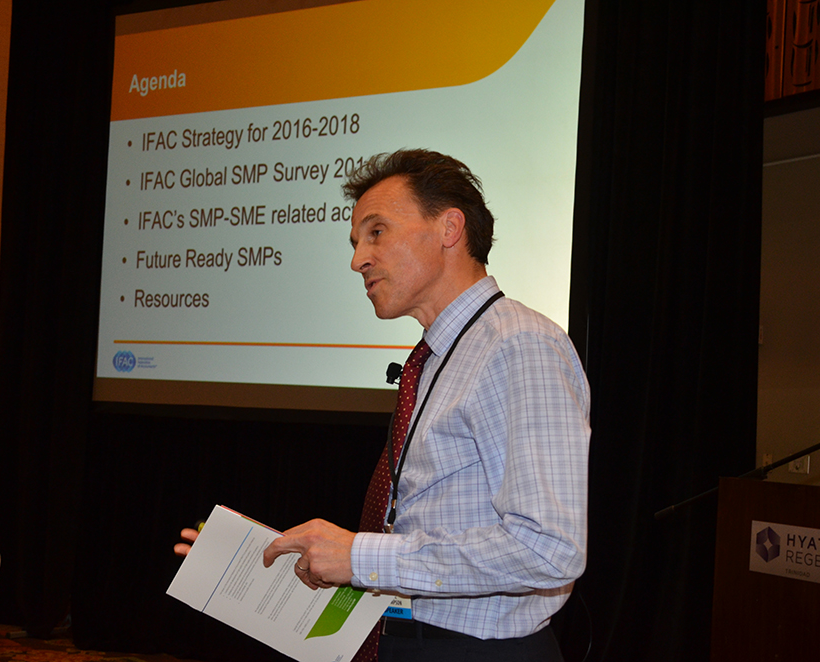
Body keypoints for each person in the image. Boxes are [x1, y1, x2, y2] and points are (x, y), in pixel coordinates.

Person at [177, 149, 590, 661]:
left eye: (376, 232)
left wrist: (359, 555)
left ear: (449, 228)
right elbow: (426, 532)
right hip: (404, 639)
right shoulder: (438, 357)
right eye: (356, 243)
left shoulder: (518, 345)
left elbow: (549, 549)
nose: (357, 260)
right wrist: (286, 560)